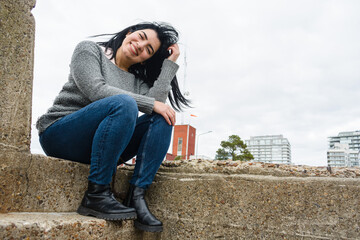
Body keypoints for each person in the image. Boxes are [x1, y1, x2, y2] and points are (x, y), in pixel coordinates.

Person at [36, 22, 190, 233]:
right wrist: (147, 103)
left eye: (149, 50)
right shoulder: (89, 51)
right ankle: (96, 194)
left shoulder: (136, 82)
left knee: (164, 117)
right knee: (124, 102)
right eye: (141, 36)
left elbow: (156, 105)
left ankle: (136, 195)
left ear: (147, 58)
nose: (140, 46)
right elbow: (95, 89)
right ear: (129, 32)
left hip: (98, 147)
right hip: (60, 134)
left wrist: (170, 64)